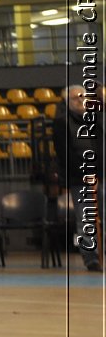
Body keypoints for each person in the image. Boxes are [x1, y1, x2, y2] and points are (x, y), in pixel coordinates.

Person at [52, 84, 101, 271]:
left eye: (82, 97)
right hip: (79, 178)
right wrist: (86, 173)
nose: (80, 100)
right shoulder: (61, 123)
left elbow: (100, 148)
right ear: (67, 101)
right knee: (86, 220)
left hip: (99, 177)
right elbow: (65, 154)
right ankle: (91, 258)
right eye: (75, 98)